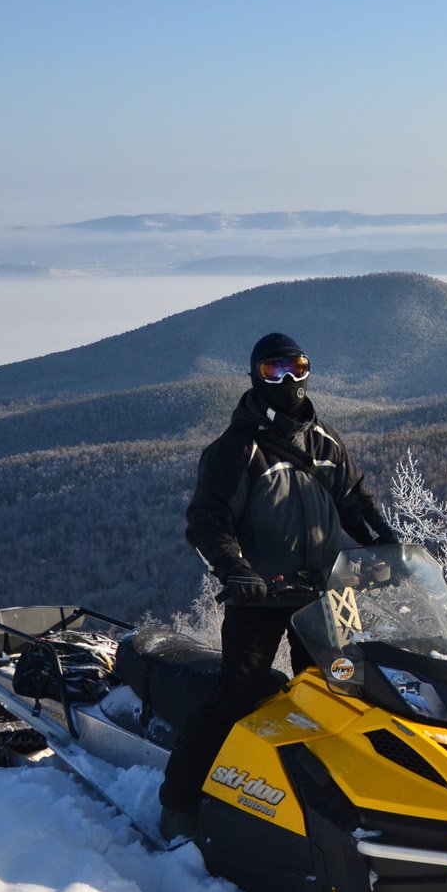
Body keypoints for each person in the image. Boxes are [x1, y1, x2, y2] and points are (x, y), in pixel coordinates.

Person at [157, 332, 396, 840]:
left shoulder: (325, 441)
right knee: (238, 693)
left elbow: (354, 502)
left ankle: (345, 804)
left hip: (330, 594)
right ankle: (178, 805)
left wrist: (390, 549)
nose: (288, 380)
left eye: (297, 367)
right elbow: (206, 521)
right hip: (260, 594)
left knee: (343, 693)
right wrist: (235, 570)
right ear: (254, 377)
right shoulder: (235, 449)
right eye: (274, 371)